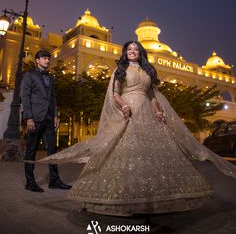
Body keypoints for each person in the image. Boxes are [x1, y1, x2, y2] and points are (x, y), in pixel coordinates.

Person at [38, 41, 236, 216]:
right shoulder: (120, 70)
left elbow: (152, 96)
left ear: (140, 53)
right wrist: (124, 105)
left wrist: (158, 112)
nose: (132, 51)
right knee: (126, 152)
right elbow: (115, 92)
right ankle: (119, 201)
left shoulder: (148, 71)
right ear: (125, 53)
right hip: (129, 111)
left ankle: (154, 199)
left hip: (148, 114)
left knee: (152, 155)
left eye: (135, 49)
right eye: (129, 49)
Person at [21, 50, 72, 192]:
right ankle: (30, 182)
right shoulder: (29, 75)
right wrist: (29, 117)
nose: (47, 61)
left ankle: (54, 181)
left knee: (53, 151)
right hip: (35, 119)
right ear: (37, 60)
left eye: (48, 59)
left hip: (49, 118)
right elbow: (25, 96)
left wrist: (55, 115)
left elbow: (53, 98)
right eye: (44, 58)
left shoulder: (51, 78)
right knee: (31, 150)